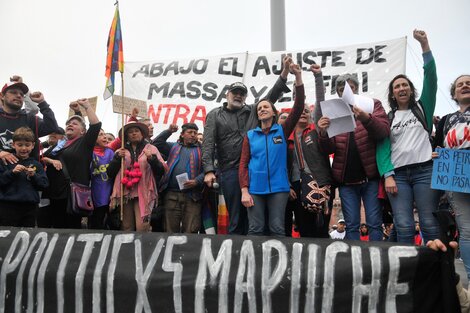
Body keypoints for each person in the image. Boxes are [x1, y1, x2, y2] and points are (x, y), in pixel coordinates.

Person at [202, 56, 292, 235]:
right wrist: (208, 170)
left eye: (242, 94)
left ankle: (262, 256)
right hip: (230, 171)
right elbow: (208, 143)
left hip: (256, 171)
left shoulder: (252, 111)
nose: (238, 95)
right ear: (227, 94)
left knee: (260, 220)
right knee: (237, 218)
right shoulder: (214, 115)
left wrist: (284, 73)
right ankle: (238, 258)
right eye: (235, 92)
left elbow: (271, 96)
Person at [376, 29, 440, 245]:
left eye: (405, 85)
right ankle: (406, 274)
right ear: (393, 94)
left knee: (429, 223)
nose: (401, 88)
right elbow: (383, 149)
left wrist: (424, 45)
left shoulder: (424, 108)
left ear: (411, 90)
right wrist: (388, 175)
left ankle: (432, 272)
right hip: (399, 177)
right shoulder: (388, 117)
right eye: (397, 86)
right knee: (404, 225)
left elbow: (430, 77)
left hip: (425, 172)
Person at [315, 68, 390, 241]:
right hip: (346, 181)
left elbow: (383, 132)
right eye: (341, 89)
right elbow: (329, 149)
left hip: (370, 177)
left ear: (356, 88)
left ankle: (376, 262)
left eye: (349, 87)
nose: (345, 91)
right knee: (352, 224)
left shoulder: (372, 104)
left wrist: (366, 117)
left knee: (373, 223)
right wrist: (324, 133)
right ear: (338, 93)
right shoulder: (332, 110)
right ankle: (355, 263)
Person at [238, 63, 304, 237]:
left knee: (277, 229)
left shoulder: (283, 130)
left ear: (274, 112)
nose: (262, 109)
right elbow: (243, 164)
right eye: (259, 108)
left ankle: (278, 264)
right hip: (255, 189)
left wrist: (298, 77)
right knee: (255, 229)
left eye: (266, 107)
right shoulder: (250, 135)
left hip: (279, 189)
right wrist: (244, 190)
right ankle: (254, 264)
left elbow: (298, 108)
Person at [285, 63, 333, 238]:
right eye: (301, 110)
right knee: (304, 229)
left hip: (319, 181)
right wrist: (288, 184)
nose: (304, 113)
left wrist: (318, 77)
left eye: (307, 111)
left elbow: (320, 102)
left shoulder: (315, 130)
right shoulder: (286, 134)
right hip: (296, 184)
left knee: (321, 229)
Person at [39, 99, 101, 229]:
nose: (70, 125)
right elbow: (43, 158)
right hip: (52, 194)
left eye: (75, 124)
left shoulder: (84, 143)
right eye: (68, 123)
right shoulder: (59, 145)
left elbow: (95, 125)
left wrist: (87, 106)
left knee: (69, 231)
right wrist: (51, 160)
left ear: (83, 131)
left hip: (71, 196)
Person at [437, 74, 470, 280]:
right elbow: (439, 146)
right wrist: (437, 152)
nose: (465, 86)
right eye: (460, 84)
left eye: (469, 83)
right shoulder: (446, 120)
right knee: (467, 230)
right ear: (454, 93)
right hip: (456, 176)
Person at [107, 121, 167, 232]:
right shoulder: (120, 151)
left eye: (136, 131)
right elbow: (110, 173)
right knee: (126, 227)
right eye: (130, 132)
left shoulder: (151, 149)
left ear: (142, 133)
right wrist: (116, 158)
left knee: (142, 227)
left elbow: (161, 171)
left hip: (144, 192)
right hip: (125, 192)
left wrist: (152, 159)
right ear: (127, 136)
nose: (134, 134)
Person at [155, 123, 204, 233]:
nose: (193, 135)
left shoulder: (203, 150)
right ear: (182, 134)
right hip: (171, 194)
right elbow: (156, 143)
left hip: (193, 196)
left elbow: (209, 170)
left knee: (191, 230)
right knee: (170, 230)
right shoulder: (172, 147)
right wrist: (169, 131)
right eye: (189, 132)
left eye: (195, 133)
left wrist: (197, 181)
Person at [0, 80, 59, 163]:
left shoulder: (30, 119)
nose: (18, 96)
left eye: (21, 94)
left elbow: (52, 127)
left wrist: (42, 103)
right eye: (13, 92)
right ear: (2, 96)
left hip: (28, 173)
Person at [0, 127, 48, 227]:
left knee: (28, 238)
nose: (23, 148)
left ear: (33, 145)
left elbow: (44, 184)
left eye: (27, 145)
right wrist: (12, 173)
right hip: (8, 207)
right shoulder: (5, 161)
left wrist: (34, 175)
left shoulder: (37, 164)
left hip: (30, 208)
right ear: (13, 145)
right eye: (20, 145)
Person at [88, 129, 115, 229]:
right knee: (97, 221)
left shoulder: (111, 152)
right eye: (100, 135)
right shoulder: (88, 152)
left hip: (111, 193)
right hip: (95, 193)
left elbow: (121, 138)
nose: (104, 137)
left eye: (104, 134)